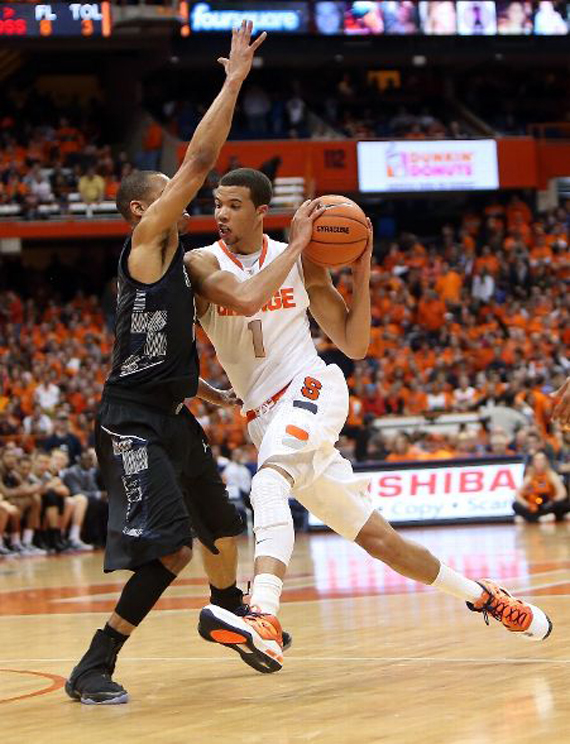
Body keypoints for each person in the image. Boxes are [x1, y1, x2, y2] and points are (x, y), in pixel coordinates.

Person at [185, 167, 553, 675]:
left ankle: (263, 615)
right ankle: (488, 598)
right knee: (383, 542)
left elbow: (355, 345)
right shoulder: (200, 262)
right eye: (218, 204)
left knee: (267, 485)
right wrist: (208, 391)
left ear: (260, 211)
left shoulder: (302, 264)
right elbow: (231, 309)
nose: (220, 213)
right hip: (263, 418)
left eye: (233, 204)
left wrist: (363, 266)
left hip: (310, 388)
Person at [65, 22, 268, 706]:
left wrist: (202, 385)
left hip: (171, 411)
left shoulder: (182, 267)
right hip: (129, 422)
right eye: (167, 190)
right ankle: (94, 665)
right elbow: (202, 161)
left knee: (222, 526)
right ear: (139, 209)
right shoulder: (148, 241)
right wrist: (233, 79)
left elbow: (160, 342)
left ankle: (230, 611)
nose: (180, 196)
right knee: (172, 551)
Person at [513, 451, 569, 523]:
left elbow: (562, 493)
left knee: (561, 505)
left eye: (542, 460)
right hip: (534, 505)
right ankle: (538, 518)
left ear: (546, 462)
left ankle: (533, 518)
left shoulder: (551, 474)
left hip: (548, 505)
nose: (539, 462)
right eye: (537, 460)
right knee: (515, 505)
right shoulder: (530, 476)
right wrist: (527, 505)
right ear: (533, 462)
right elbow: (517, 494)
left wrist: (552, 501)